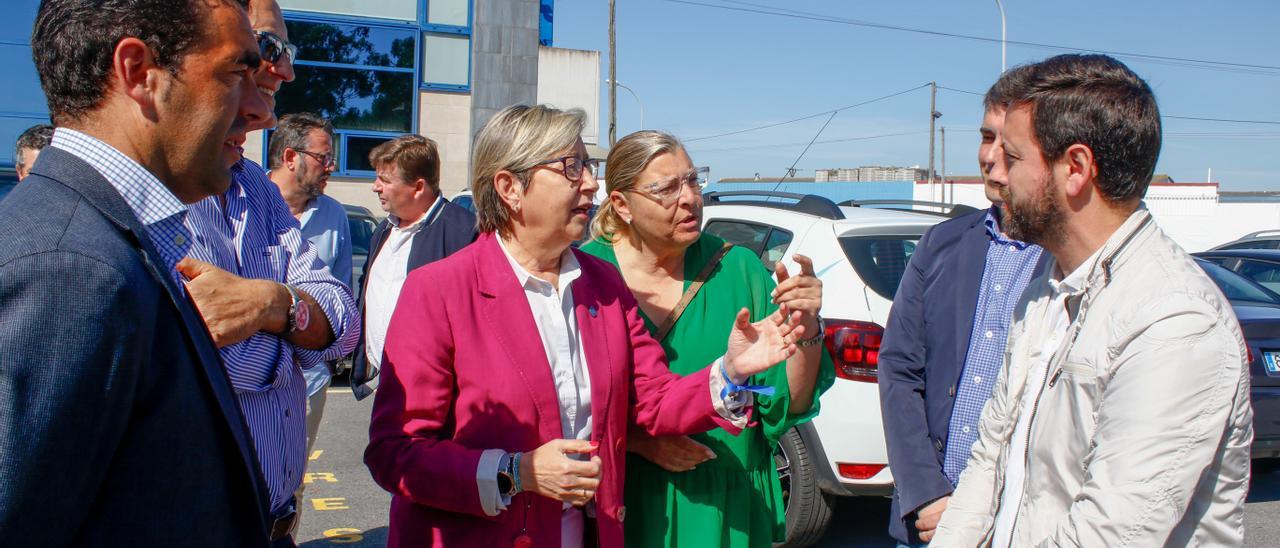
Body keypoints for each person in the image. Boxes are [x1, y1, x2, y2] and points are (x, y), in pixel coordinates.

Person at [364, 104, 809, 548]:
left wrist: (730, 371)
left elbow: (653, 398)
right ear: (509, 188)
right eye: (571, 167)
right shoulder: (439, 291)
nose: (591, 183)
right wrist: (514, 472)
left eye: (588, 166)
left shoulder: (602, 284)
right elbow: (394, 453)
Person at [932, 54, 1253, 547]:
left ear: (1075, 168)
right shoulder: (1046, 287)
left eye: (1014, 158)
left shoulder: (1174, 321)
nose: (997, 172)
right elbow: (989, 458)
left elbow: (1111, 532)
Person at [0, 0, 272, 545]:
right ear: (139, 73)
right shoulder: (69, 268)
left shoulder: (108, 237)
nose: (260, 110)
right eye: (237, 72)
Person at [579, 130, 833, 547]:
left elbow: (787, 403)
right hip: (626, 504)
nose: (689, 198)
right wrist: (641, 442)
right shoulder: (587, 276)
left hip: (726, 505)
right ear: (622, 204)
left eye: (693, 180)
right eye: (666, 188)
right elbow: (559, 405)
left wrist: (807, 330)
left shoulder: (738, 270)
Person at [179, 0, 360, 544]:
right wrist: (296, 327)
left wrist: (270, 306)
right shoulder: (146, 198)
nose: (284, 73)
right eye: (265, 50)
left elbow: (344, 322)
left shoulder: (253, 188)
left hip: (273, 522)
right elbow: (208, 363)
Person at [878, 75, 1047, 545]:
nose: (990, 154)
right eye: (985, 136)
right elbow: (899, 369)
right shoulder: (942, 243)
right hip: (929, 522)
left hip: (1016, 523)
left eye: (1007, 142)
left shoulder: (1063, 260)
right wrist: (926, 494)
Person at [349, 134, 477, 400]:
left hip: (438, 394)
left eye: (384, 180)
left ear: (418, 187)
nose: (375, 187)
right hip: (385, 383)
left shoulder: (466, 233)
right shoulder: (383, 230)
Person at [267, 112, 351, 455]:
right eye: (323, 158)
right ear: (290, 157)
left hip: (310, 381)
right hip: (245, 382)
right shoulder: (242, 201)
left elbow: (341, 295)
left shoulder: (335, 216)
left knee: (293, 484)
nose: (330, 166)